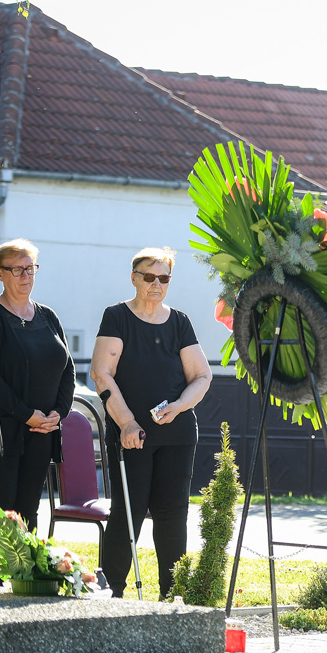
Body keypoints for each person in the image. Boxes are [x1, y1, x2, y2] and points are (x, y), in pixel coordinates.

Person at [91, 247, 212, 599]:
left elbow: (202, 376)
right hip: (133, 436)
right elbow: (102, 374)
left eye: (164, 278)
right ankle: (111, 592)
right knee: (128, 511)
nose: (156, 284)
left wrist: (180, 405)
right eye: (149, 277)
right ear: (134, 278)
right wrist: (127, 423)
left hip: (177, 432)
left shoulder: (180, 321)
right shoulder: (117, 317)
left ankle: (172, 593)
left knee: (173, 513)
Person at [0, 239, 75, 532]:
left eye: (31, 269)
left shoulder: (48, 316)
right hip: (6, 432)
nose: (26, 277)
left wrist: (58, 413)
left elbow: (68, 369)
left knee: (29, 510)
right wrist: (26, 413)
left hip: (44, 431)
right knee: (3, 509)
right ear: (0, 273)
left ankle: (27, 574)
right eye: (17, 270)